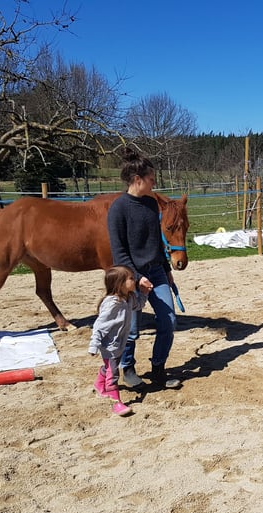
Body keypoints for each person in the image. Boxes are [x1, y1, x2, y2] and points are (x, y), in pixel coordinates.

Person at [107, 147, 181, 391]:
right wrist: (136, 278)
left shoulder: (151, 204)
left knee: (168, 319)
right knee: (131, 328)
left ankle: (158, 368)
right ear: (137, 180)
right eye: (151, 179)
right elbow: (119, 252)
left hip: (157, 271)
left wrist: (166, 268)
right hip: (130, 277)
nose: (154, 183)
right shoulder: (118, 209)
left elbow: (156, 240)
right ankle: (128, 368)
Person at [88, 266, 145, 416]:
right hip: (109, 345)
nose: (135, 280)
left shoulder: (129, 298)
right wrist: (94, 345)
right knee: (113, 373)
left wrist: (144, 293)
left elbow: (138, 306)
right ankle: (116, 403)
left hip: (120, 343)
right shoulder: (111, 304)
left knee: (109, 367)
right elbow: (100, 325)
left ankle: (99, 384)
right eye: (131, 279)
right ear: (120, 284)